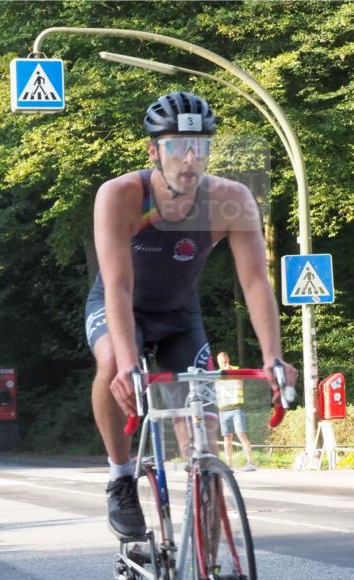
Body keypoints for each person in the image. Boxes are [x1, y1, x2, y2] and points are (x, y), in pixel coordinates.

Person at [85, 91, 298, 539]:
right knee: (110, 367)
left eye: (199, 146)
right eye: (176, 145)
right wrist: (128, 364)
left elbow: (256, 281)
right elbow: (119, 287)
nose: (188, 158)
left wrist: (273, 357)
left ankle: (207, 563)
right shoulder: (120, 196)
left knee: (202, 429)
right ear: (152, 151)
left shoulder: (232, 199)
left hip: (180, 315)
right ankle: (121, 477)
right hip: (120, 306)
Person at [215, 351, 256, 471]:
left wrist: (231, 373)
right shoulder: (216, 374)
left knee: (241, 434)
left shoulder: (236, 370)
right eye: (221, 362)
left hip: (236, 408)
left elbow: (240, 384)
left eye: (225, 361)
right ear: (218, 362)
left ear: (228, 359)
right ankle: (229, 465)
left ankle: (250, 463)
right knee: (227, 438)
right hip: (223, 409)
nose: (224, 364)